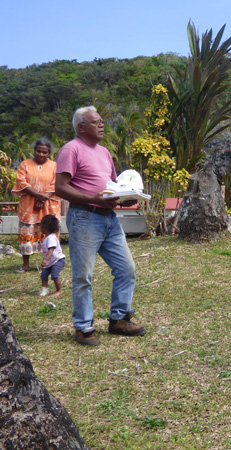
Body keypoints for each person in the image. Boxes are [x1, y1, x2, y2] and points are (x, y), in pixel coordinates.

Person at [55, 106, 146, 346]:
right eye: (96, 122)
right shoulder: (71, 149)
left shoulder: (104, 152)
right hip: (85, 217)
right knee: (83, 276)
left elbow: (112, 186)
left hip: (109, 219)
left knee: (127, 269)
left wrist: (129, 196)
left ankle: (119, 319)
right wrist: (92, 198)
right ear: (81, 127)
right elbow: (60, 187)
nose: (101, 124)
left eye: (101, 121)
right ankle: (83, 327)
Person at [11, 138, 61, 273]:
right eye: (38, 151)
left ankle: (51, 262)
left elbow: (56, 183)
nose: (41, 154)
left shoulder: (55, 166)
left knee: (50, 233)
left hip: (49, 205)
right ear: (34, 151)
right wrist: (38, 196)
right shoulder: (25, 164)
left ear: (49, 153)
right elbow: (21, 182)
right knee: (26, 232)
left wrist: (42, 199)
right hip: (29, 207)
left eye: (44, 152)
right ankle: (25, 265)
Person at [39, 214, 66, 297]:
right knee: (44, 274)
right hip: (50, 262)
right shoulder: (47, 238)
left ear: (44, 227)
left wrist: (46, 259)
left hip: (57, 260)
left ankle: (59, 290)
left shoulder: (51, 238)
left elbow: (51, 249)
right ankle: (44, 289)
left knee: (54, 275)